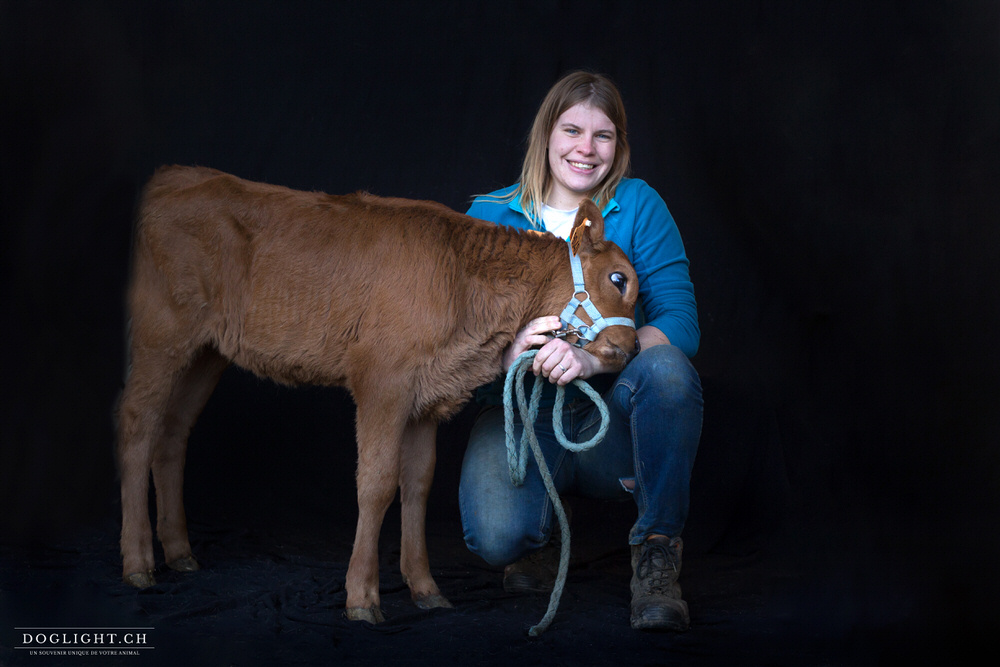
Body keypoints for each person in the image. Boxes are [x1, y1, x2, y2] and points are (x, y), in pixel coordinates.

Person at [458, 70, 703, 632]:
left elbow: (682, 324)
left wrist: (595, 358)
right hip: (522, 418)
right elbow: (452, 343)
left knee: (668, 371)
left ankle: (656, 553)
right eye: (572, 130)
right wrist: (507, 349)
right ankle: (539, 530)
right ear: (546, 134)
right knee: (493, 537)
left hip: (609, 419)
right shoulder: (490, 215)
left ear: (618, 146)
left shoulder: (636, 206)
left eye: (603, 136)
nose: (585, 150)